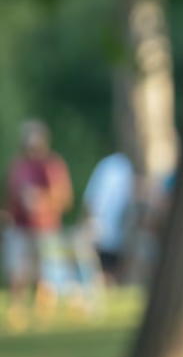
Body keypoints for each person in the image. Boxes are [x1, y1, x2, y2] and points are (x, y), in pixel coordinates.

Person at [1, 120, 74, 331]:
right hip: (21, 227)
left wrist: (42, 200)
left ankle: (44, 316)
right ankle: (18, 312)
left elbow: (64, 197)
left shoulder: (52, 165)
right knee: (18, 271)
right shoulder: (18, 166)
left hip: (46, 228)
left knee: (46, 272)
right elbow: (11, 196)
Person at [81, 152, 134, 285]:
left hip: (107, 231)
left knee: (103, 268)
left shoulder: (109, 168)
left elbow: (92, 200)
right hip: (108, 231)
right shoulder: (119, 169)